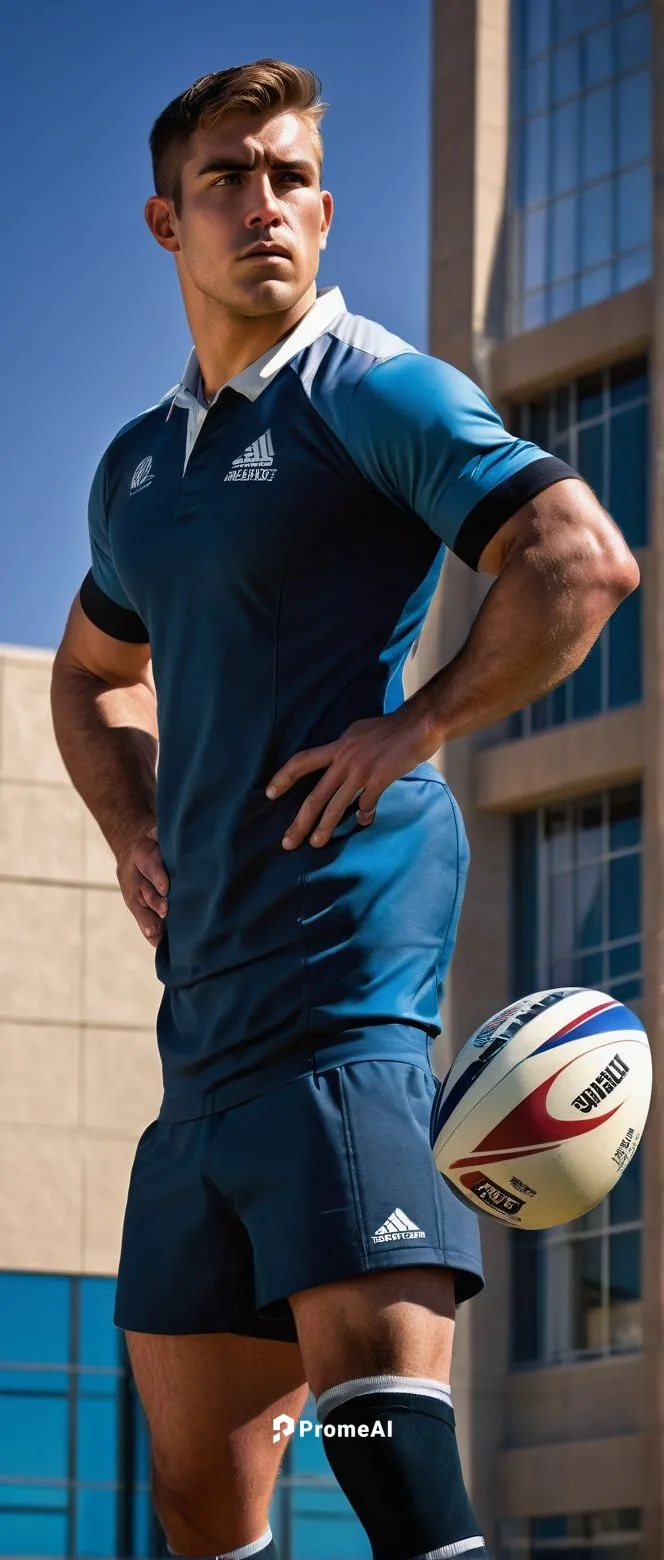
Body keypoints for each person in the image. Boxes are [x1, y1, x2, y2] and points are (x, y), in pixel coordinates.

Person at [50, 59, 639, 1560]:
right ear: (163, 222)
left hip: (345, 1015)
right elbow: (90, 674)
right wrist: (131, 827)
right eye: (230, 179)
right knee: (201, 1502)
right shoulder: (139, 467)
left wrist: (416, 725)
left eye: (293, 175)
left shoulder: (369, 386)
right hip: (203, 1067)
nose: (267, 203)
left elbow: (579, 559)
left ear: (327, 206)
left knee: (383, 1453)